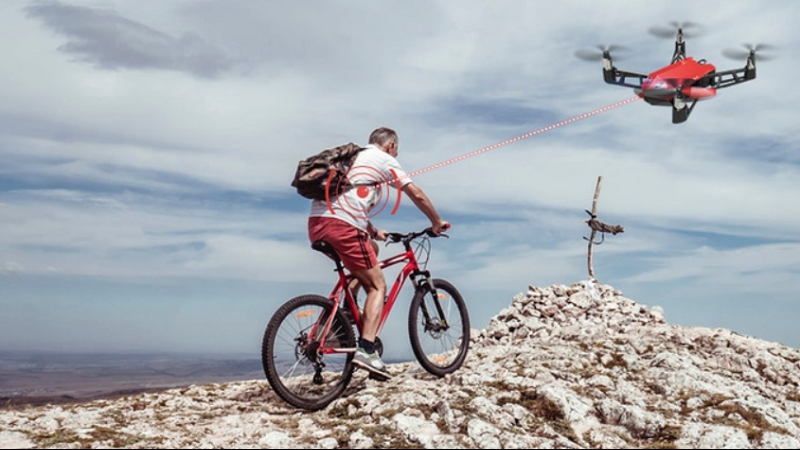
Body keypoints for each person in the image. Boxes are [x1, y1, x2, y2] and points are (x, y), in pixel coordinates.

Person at [307, 127, 449, 380]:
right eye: (397, 149)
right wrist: (436, 221)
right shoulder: (384, 159)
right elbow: (415, 193)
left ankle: (347, 313)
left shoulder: (352, 159)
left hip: (318, 225)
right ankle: (367, 350)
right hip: (343, 227)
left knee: (370, 251)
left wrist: (372, 230)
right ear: (391, 146)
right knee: (377, 286)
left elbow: (346, 199)